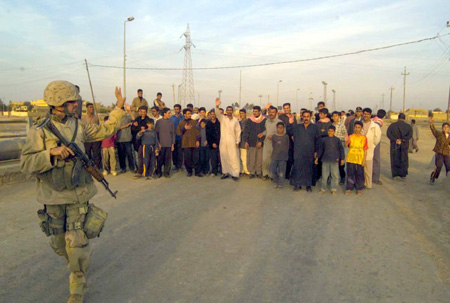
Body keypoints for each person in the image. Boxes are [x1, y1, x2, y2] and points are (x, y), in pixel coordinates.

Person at [20, 81, 126, 303]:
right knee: (59, 243)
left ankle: (77, 286)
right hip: (52, 195)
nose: (77, 105)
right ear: (60, 103)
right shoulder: (38, 131)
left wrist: (118, 107)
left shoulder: (80, 126)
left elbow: (105, 129)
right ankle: (77, 263)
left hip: (78, 193)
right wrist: (51, 153)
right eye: (73, 102)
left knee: (76, 244)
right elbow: (26, 164)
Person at [288, 110, 320, 192]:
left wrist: (316, 152)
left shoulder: (315, 127)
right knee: (298, 167)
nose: (306, 118)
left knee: (309, 168)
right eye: (304, 116)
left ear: (310, 117)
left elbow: (317, 140)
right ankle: (297, 184)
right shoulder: (297, 127)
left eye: (307, 116)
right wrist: (290, 123)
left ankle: (308, 185)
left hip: (310, 151)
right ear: (302, 117)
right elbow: (290, 132)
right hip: (298, 151)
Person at [215, 99, 241, 181]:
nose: (229, 111)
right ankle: (225, 172)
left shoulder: (235, 120)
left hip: (232, 142)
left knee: (234, 158)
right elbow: (217, 113)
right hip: (223, 142)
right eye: (228, 110)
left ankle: (235, 174)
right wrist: (217, 106)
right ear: (226, 111)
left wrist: (237, 141)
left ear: (232, 111)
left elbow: (238, 131)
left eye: (231, 110)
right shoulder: (223, 118)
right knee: (224, 157)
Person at [316, 125, 345, 195]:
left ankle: (333, 188)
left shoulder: (337, 140)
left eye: (332, 131)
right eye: (329, 131)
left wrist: (342, 159)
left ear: (334, 132)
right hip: (325, 160)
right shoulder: (324, 140)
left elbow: (341, 150)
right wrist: (317, 158)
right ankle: (323, 188)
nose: (330, 132)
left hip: (335, 160)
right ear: (327, 131)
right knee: (324, 175)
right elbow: (321, 150)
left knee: (334, 175)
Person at [386, 113, 413, 179]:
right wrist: (403, 140)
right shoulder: (408, 126)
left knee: (394, 158)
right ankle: (403, 174)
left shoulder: (392, 125)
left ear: (398, 118)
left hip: (394, 145)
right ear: (404, 118)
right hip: (404, 145)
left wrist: (396, 140)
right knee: (403, 159)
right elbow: (410, 135)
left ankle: (395, 174)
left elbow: (388, 134)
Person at [176, 108, 201, 177]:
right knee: (187, 159)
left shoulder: (194, 122)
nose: (190, 115)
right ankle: (189, 171)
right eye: (188, 114)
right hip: (186, 144)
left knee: (196, 158)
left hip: (194, 143)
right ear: (184, 114)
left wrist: (198, 140)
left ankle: (197, 172)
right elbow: (178, 132)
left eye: (190, 113)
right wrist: (184, 128)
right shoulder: (181, 123)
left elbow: (198, 132)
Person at [345, 121, 368, 195]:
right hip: (351, 158)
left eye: (359, 127)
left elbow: (365, 149)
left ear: (361, 128)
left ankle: (359, 188)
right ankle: (349, 187)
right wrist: (346, 141)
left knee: (360, 173)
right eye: (356, 127)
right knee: (350, 173)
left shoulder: (364, 138)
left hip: (360, 158)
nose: (357, 129)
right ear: (353, 128)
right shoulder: (350, 137)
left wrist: (364, 160)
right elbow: (346, 146)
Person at [361, 108, 381, 188]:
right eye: (365, 114)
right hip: (360, 149)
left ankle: (368, 184)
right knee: (360, 168)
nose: (366, 115)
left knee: (368, 168)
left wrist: (372, 145)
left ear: (370, 115)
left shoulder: (375, 126)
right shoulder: (360, 124)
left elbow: (377, 138)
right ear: (363, 114)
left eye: (368, 114)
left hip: (369, 148)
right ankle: (360, 183)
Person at [244, 106, 266, 179]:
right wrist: (246, 141)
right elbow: (246, 131)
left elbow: (265, 131)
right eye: (254, 111)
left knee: (259, 159)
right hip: (251, 142)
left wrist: (261, 141)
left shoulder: (264, 120)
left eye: (256, 111)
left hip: (260, 143)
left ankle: (259, 172)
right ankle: (252, 172)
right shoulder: (249, 120)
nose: (255, 113)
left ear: (260, 112)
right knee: (251, 158)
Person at [262, 106, 282, 180]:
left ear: (276, 113)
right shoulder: (267, 121)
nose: (271, 113)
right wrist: (262, 133)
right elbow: (267, 131)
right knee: (265, 160)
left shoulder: (279, 122)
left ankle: (272, 175)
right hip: (267, 143)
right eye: (270, 112)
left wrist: (273, 137)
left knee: (273, 160)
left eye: (273, 112)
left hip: (275, 144)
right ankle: (265, 174)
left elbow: (282, 133)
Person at [155, 108, 175, 178]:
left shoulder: (171, 122)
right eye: (168, 113)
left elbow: (173, 133)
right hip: (161, 144)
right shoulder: (159, 122)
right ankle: (159, 172)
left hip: (169, 144)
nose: (170, 114)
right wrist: (158, 143)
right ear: (164, 113)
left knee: (168, 159)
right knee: (160, 159)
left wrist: (172, 144)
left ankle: (166, 172)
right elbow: (156, 134)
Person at [278, 103, 296, 179]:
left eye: (287, 108)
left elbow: (295, 127)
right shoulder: (281, 117)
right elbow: (281, 127)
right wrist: (290, 123)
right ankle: (280, 173)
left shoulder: (293, 117)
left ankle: (287, 174)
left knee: (290, 158)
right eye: (284, 108)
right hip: (283, 139)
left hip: (291, 141)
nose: (286, 109)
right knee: (282, 158)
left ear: (290, 108)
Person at [429, 117, 450, 183]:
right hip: (439, 153)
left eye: (447, 127)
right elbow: (433, 130)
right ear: (442, 128)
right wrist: (431, 123)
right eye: (444, 127)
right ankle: (433, 176)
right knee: (439, 166)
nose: (446, 128)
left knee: (448, 167)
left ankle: (448, 179)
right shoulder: (439, 134)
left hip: (447, 153)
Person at [82, 103, 102, 170]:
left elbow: (98, 126)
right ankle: (89, 169)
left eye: (92, 107)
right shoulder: (83, 118)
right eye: (90, 107)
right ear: (87, 108)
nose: (91, 109)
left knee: (96, 155)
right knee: (87, 154)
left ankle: (97, 169)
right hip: (87, 139)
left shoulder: (96, 117)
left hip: (95, 139)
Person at [116, 107, 135, 174]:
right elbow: (115, 128)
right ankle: (123, 168)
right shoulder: (116, 118)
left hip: (128, 139)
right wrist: (126, 126)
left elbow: (134, 119)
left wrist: (129, 111)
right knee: (121, 155)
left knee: (130, 154)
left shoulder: (127, 117)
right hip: (119, 139)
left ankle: (132, 168)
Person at [331, 111, 348, 184]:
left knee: (341, 163)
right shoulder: (331, 125)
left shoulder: (341, 125)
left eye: (336, 116)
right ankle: (331, 178)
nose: (335, 117)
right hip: (332, 146)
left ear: (339, 117)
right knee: (332, 162)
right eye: (333, 116)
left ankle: (342, 177)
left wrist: (336, 138)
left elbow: (345, 135)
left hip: (339, 145)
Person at [271, 122, 289, 188]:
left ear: (284, 128)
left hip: (283, 157)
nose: (280, 129)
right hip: (275, 156)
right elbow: (273, 145)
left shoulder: (286, 137)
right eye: (279, 127)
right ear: (277, 128)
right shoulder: (274, 136)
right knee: (273, 170)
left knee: (282, 170)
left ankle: (280, 183)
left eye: (282, 127)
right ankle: (276, 181)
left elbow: (287, 146)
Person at [372, 109, 386, 185]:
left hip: (369, 140)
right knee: (376, 160)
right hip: (375, 141)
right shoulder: (379, 122)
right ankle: (375, 178)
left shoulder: (372, 119)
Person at [206, 109, 221, 176]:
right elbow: (208, 135)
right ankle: (214, 171)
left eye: (214, 114)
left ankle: (221, 171)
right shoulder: (208, 124)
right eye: (211, 114)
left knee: (220, 158)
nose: (213, 116)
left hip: (220, 143)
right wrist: (212, 143)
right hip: (212, 144)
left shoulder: (219, 123)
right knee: (213, 158)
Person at [170, 104, 184, 171]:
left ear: (180, 110)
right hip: (174, 138)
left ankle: (180, 166)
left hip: (181, 137)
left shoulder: (183, 117)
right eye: (175, 109)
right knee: (174, 152)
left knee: (180, 152)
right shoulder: (171, 118)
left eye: (177, 109)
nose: (176, 110)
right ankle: (175, 165)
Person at [238, 109, 250, 175]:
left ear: (245, 114)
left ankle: (246, 170)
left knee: (244, 156)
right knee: (240, 156)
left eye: (243, 113)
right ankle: (242, 169)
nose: (241, 115)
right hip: (239, 141)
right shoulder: (239, 122)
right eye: (240, 113)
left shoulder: (248, 122)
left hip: (245, 141)